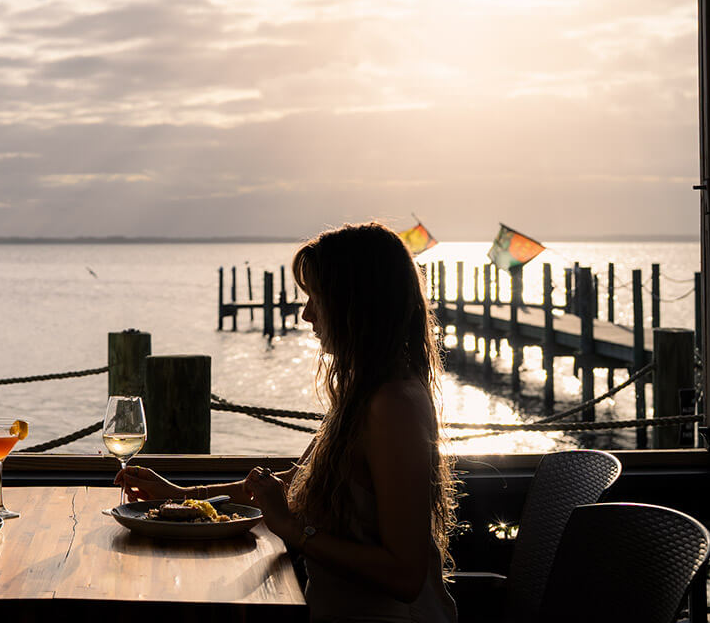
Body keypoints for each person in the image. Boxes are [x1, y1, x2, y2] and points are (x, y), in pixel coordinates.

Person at [117, 222, 458, 622]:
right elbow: (290, 486)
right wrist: (183, 497)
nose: (305, 313)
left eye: (317, 297)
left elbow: (406, 575)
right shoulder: (363, 394)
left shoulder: (394, 405)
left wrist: (293, 530)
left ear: (356, 304)